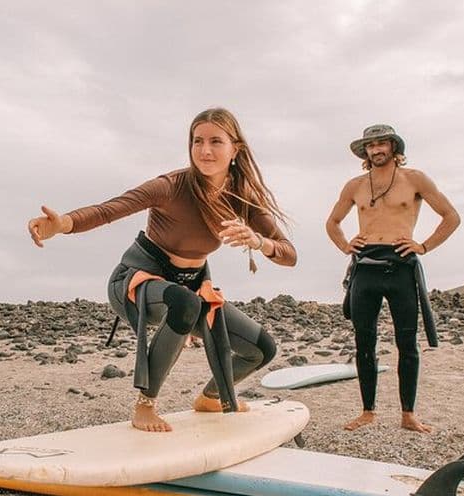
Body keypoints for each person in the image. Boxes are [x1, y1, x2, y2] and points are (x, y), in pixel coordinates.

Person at [28, 108, 297, 432]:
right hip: (136, 284)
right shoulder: (171, 186)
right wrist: (63, 224)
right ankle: (145, 405)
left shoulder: (240, 197)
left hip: (190, 290)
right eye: (197, 141)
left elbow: (289, 254)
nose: (204, 150)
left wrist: (258, 241)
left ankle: (211, 397)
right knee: (185, 303)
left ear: (235, 149)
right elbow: (110, 209)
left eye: (215, 141)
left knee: (261, 349)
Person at [326, 124, 460, 433]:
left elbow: (451, 216)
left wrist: (423, 246)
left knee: (407, 343)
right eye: (370, 145)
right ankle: (367, 411)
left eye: (381, 143)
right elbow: (332, 222)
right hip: (365, 268)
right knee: (364, 341)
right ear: (365, 151)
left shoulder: (415, 179)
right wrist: (345, 245)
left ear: (394, 147)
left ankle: (408, 415)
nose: (376, 149)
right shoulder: (355, 186)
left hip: (401, 266)